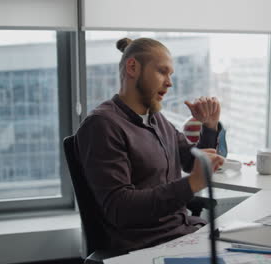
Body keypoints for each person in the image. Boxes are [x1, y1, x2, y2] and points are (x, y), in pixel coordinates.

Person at [75, 37, 225, 252]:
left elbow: (192, 163)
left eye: (170, 74)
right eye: (162, 72)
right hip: (148, 245)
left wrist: (209, 127)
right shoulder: (102, 125)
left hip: (182, 232)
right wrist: (190, 184)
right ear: (133, 67)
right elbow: (119, 208)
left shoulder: (156, 120)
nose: (169, 82)